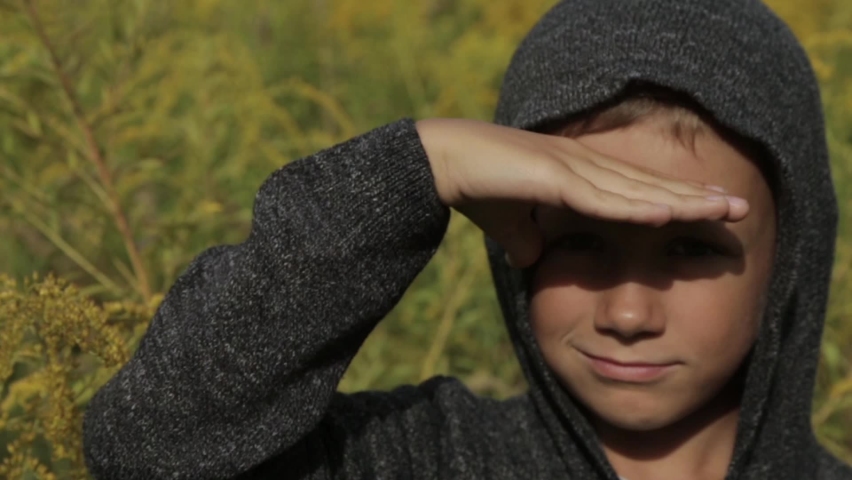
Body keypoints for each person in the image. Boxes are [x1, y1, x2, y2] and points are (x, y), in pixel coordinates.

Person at [82, 0, 852, 479]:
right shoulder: (422, 457)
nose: (627, 313)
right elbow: (151, 447)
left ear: (792, 258)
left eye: (691, 249)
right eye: (579, 241)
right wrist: (422, 164)